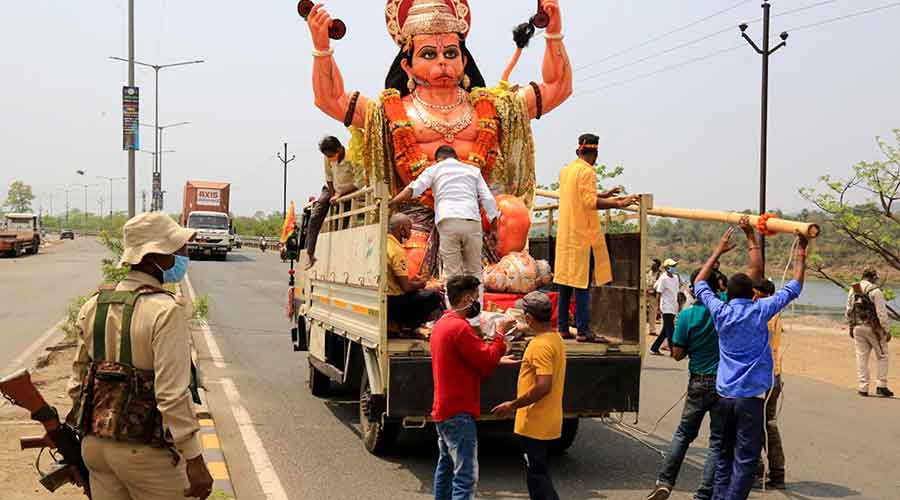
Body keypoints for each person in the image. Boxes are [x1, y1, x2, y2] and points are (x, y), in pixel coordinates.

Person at [66, 212, 213, 500]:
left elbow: (76, 384)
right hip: (145, 454)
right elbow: (171, 395)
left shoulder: (94, 304)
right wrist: (194, 459)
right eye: (178, 248)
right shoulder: (165, 311)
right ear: (155, 255)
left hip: (95, 448)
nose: (183, 253)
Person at [694, 216, 807, 500]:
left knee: (723, 455)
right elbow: (795, 285)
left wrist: (719, 250)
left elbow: (698, 282)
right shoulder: (760, 310)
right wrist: (801, 251)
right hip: (749, 400)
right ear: (753, 295)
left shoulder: (720, 311)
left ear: (728, 295)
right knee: (745, 459)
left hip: (723, 398)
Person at [430, 275, 516, 500]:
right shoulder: (460, 329)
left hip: (444, 409)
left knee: (446, 469)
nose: (477, 303)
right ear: (466, 298)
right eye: (476, 297)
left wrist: (495, 358)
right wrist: (499, 335)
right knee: (465, 477)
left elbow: (465, 360)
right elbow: (485, 362)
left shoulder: (442, 325)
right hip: (459, 411)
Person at [554, 134, 640, 343]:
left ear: (578, 152)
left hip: (566, 235)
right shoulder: (587, 171)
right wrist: (619, 203)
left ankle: (563, 328)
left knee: (565, 282)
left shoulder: (566, 171)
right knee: (582, 284)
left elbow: (580, 195)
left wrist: (605, 194)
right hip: (581, 236)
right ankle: (583, 330)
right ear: (595, 154)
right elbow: (588, 201)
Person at [645, 269, 723, 500]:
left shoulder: (687, 316)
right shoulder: (724, 310)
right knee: (717, 441)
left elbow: (677, 354)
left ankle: (665, 482)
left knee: (682, 435)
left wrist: (691, 346)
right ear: (718, 287)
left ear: (691, 290)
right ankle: (704, 494)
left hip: (698, 381)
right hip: (722, 384)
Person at [390, 146, 499, 287]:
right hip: (472, 222)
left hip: (448, 221)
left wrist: (393, 202)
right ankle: (475, 307)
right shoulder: (473, 170)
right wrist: (494, 228)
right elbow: (488, 198)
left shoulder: (434, 169)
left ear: (438, 160)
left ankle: (454, 308)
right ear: (457, 158)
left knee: (453, 273)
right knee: (474, 272)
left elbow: (414, 189)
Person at [492, 292, 566, 500]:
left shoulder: (539, 346)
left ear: (529, 318)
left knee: (537, 477)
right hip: (548, 421)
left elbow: (543, 386)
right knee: (539, 474)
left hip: (535, 423)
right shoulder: (555, 339)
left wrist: (512, 405)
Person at [306, 136, 360, 269]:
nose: (330, 159)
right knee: (315, 217)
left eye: (332, 155)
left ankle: (340, 256)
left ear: (340, 149)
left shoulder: (353, 158)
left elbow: (359, 183)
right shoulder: (328, 157)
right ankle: (310, 254)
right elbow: (328, 177)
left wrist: (340, 195)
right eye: (328, 156)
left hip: (348, 193)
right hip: (331, 190)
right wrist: (332, 195)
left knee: (341, 225)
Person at [752, 279, 786, 490]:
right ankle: (778, 473)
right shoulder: (774, 314)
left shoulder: (762, 314)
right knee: (769, 424)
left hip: (761, 377)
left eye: (756, 294)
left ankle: (757, 472)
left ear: (765, 295)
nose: (753, 298)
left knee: (754, 425)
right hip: (774, 376)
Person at [386, 213, 445, 332]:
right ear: (402, 229)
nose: (410, 233)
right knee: (434, 296)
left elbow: (397, 282)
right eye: (409, 229)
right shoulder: (397, 251)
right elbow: (406, 287)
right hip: (393, 302)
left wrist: (413, 282)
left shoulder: (385, 244)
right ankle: (407, 325)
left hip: (387, 299)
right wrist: (423, 283)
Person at [846, 267, 893, 398]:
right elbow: (882, 314)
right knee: (882, 356)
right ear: (873, 277)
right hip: (873, 328)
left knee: (861, 357)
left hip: (857, 327)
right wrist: (887, 330)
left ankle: (863, 387)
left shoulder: (853, 289)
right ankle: (881, 386)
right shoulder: (875, 291)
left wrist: (851, 326)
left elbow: (849, 310)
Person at [650, 259, 681, 355]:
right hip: (666, 307)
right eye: (672, 266)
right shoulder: (663, 278)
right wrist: (659, 308)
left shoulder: (675, 278)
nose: (674, 268)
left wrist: (678, 304)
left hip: (673, 306)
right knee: (670, 330)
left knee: (665, 330)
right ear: (667, 267)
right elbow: (659, 293)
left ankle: (654, 348)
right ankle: (673, 351)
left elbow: (676, 292)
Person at [646, 259, 663, 336]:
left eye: (654, 264)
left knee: (652, 313)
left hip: (653, 295)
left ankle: (652, 330)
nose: (652, 265)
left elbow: (659, 286)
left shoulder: (660, 275)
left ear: (658, 265)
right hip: (645, 294)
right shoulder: (649, 272)